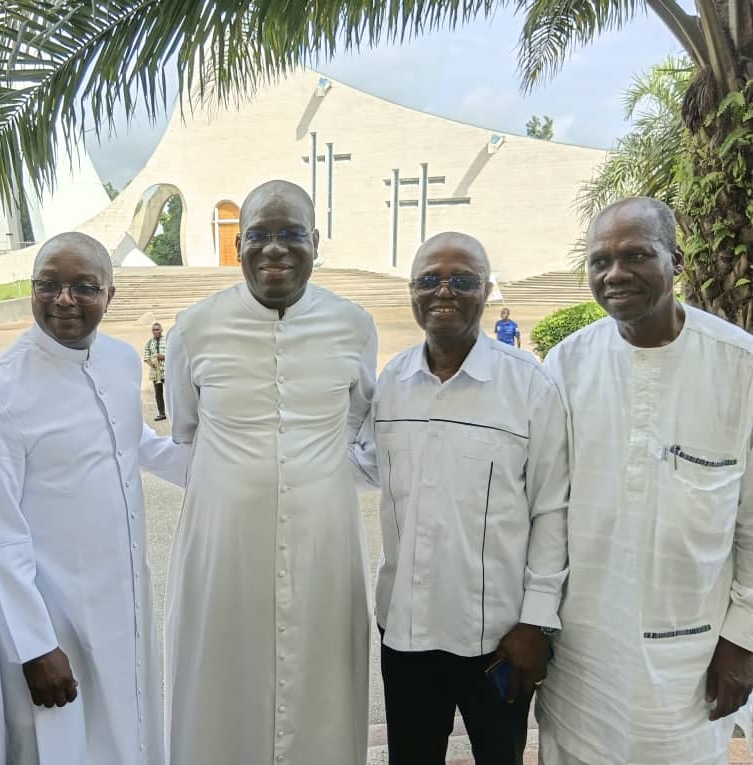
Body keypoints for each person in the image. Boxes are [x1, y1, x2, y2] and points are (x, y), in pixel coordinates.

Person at [163, 179, 378, 765]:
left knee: (323, 692)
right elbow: (186, 430)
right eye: (257, 235)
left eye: (291, 235)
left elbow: (355, 421)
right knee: (218, 692)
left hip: (323, 550)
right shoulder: (193, 328)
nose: (274, 249)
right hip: (223, 552)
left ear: (316, 241)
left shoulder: (353, 326)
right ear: (238, 246)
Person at [537, 197, 753, 765]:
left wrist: (743, 639)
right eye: (599, 260)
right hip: (581, 650)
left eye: (635, 254)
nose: (614, 274)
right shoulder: (564, 366)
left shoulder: (740, 366)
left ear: (675, 260)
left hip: (689, 653)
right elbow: (543, 509)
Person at [0, 232, 188, 765]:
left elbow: (132, 442)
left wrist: (227, 473)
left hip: (122, 599)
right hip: (51, 614)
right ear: (32, 289)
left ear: (109, 295)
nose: (64, 299)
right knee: (61, 745)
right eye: (49, 285)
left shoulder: (118, 359)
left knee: (125, 732)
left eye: (83, 287)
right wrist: (34, 645)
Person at [351, 232, 569, 765]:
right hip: (406, 629)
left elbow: (552, 510)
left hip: (498, 639)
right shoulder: (393, 384)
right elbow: (363, 468)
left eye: (462, 280)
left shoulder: (529, 387)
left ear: (486, 291)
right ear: (412, 292)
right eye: (429, 279)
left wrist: (536, 622)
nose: (443, 290)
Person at [143, 322, 167, 420]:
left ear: (161, 330)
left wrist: (163, 357)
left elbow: (174, 354)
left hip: (167, 372)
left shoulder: (167, 341)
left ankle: (173, 413)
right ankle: (162, 413)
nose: (156, 331)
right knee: (158, 394)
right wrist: (151, 363)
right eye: (154, 330)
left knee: (171, 393)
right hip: (155, 373)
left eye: (157, 329)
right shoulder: (149, 343)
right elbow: (146, 357)